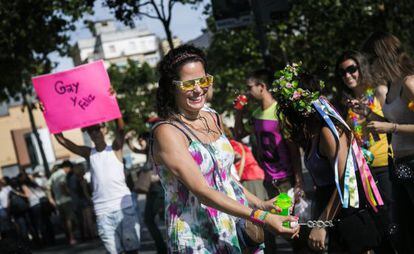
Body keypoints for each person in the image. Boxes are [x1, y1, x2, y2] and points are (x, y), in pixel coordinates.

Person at [153, 44, 299, 253]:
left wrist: (261, 204)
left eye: (203, 81)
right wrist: (262, 217)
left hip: (235, 225)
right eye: (188, 84)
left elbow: (223, 178)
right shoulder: (167, 132)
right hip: (197, 237)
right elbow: (203, 190)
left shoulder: (212, 116)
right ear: (172, 86)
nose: (198, 89)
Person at [273, 62, 387, 253]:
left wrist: (322, 224)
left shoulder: (328, 132)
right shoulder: (312, 133)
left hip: (347, 215)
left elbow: (345, 180)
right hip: (330, 213)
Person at [234, 69, 304, 253]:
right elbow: (239, 134)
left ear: (261, 86)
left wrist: (298, 180)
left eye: (250, 88)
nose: (248, 92)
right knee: (267, 232)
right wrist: (238, 113)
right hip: (267, 182)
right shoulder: (256, 114)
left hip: (285, 181)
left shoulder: (279, 112)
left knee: (292, 231)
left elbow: (293, 149)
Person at [54, 117, 141, 254]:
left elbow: (121, 129)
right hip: (103, 213)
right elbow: (62, 140)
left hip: (123, 208)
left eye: (97, 128)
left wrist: (113, 104)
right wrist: (50, 114)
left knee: (132, 251)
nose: (95, 133)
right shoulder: (89, 153)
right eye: (90, 131)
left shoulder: (115, 148)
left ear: (105, 129)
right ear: (88, 135)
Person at [362, 31, 414, 253]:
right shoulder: (392, 85)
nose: (370, 67)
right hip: (400, 164)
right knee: (402, 230)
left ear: (382, 56)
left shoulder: (408, 82)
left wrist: (390, 128)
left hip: (412, 162)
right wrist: (369, 115)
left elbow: (395, 126)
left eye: (371, 60)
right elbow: (395, 121)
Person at [335, 51, 394, 229]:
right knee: (378, 226)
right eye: (342, 72)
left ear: (361, 67)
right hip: (363, 169)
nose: (347, 75)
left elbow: (392, 126)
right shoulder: (346, 103)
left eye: (351, 69)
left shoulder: (378, 92)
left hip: (385, 165)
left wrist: (367, 112)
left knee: (393, 220)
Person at [127, 131, 167, 254]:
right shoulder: (147, 152)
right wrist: (128, 140)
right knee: (151, 219)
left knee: (150, 219)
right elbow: (134, 149)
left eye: (141, 140)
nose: (139, 143)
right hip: (152, 192)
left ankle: (162, 248)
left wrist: (158, 177)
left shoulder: (155, 151)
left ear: (147, 140)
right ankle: (162, 247)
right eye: (139, 141)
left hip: (159, 191)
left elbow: (167, 167)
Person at [19, 172, 54, 246]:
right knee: (47, 221)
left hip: (34, 204)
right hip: (43, 202)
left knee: (40, 223)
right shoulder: (34, 183)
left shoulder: (24, 185)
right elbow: (44, 189)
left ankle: (45, 240)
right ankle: (52, 238)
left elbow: (28, 195)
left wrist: (19, 194)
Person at [47, 160, 76, 245]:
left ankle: (68, 237)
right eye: (70, 168)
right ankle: (71, 238)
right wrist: (68, 193)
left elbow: (47, 186)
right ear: (67, 167)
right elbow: (62, 184)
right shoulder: (62, 174)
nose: (70, 171)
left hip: (58, 201)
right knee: (69, 220)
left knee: (64, 220)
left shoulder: (53, 175)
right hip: (66, 200)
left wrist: (50, 198)